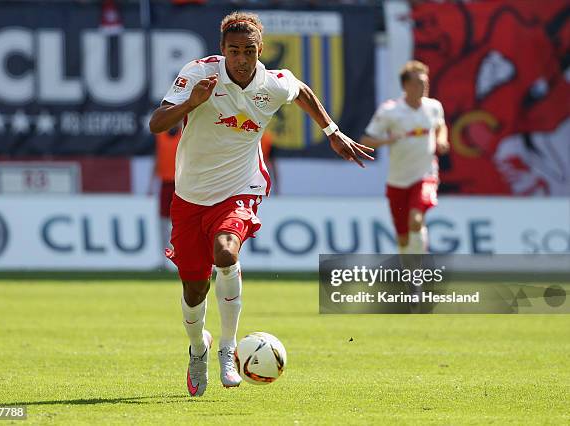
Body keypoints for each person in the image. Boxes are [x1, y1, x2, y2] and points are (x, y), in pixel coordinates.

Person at [149, 11, 374, 397]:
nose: (241, 58)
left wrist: (332, 132)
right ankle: (198, 348)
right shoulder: (199, 74)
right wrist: (192, 103)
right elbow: (156, 123)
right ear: (222, 51)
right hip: (191, 194)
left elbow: (301, 91)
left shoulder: (273, 83)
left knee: (225, 251)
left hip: (241, 186)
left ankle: (227, 347)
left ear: (259, 50)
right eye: (233, 51)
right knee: (193, 290)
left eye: (248, 51)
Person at [360, 60, 449, 255]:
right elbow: (366, 139)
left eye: (425, 82)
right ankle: (410, 277)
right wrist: (388, 140)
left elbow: (440, 125)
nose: (423, 86)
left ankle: (419, 274)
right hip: (398, 180)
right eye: (418, 82)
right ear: (406, 85)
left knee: (416, 221)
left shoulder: (433, 107)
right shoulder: (390, 111)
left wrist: (442, 139)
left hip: (425, 174)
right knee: (403, 238)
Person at [148, 125, 181, 268]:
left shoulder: (186, 133)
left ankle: (188, 258)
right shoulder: (160, 135)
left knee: (185, 222)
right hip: (165, 183)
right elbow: (157, 157)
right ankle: (164, 260)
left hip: (183, 183)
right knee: (162, 223)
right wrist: (150, 183)